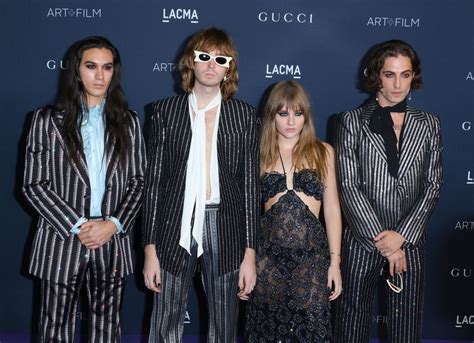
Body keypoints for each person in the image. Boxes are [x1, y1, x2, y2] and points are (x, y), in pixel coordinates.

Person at [23, 36, 146, 342]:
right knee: (54, 330)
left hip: (111, 242)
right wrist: (78, 226)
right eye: (91, 66)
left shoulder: (129, 122)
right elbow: (33, 185)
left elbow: (139, 182)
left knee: (107, 329)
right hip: (61, 241)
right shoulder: (46, 120)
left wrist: (113, 224)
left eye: (107, 67)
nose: (100, 76)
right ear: (76, 70)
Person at [142, 27, 259, 342]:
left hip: (225, 226)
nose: (211, 65)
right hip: (173, 224)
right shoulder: (164, 112)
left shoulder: (244, 116)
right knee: (165, 318)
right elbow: (154, 185)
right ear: (190, 62)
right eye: (203, 56)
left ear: (228, 68)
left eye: (220, 59)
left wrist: (250, 253)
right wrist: (149, 249)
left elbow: (250, 188)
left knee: (224, 323)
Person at [333, 40, 443, 342]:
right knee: (351, 327)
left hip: (410, 241)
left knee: (406, 330)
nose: (397, 84)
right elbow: (348, 185)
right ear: (376, 76)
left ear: (414, 77)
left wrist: (401, 238)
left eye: (405, 75)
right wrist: (385, 242)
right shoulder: (351, 122)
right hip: (362, 241)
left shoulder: (429, 124)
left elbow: (432, 186)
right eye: (390, 75)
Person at [246, 80, 343, 342]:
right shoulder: (257, 154)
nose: (291, 121)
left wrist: (335, 263)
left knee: (311, 333)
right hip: (268, 263)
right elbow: (246, 213)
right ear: (272, 115)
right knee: (268, 332)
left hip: (312, 263)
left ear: (306, 116)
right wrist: (246, 261)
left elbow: (332, 209)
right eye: (283, 113)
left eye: (298, 113)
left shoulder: (324, 152)